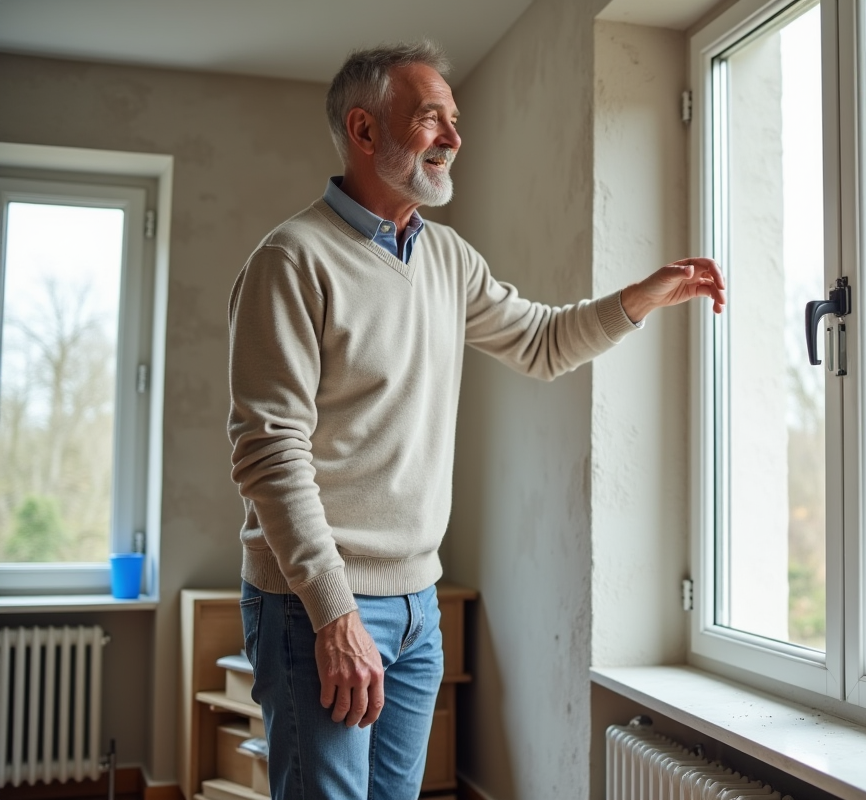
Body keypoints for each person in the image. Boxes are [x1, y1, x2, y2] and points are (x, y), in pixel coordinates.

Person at [227, 40, 725, 800]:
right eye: (432, 120)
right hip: (314, 603)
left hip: (418, 605)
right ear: (365, 132)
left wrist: (642, 297)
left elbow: (542, 340)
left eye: (454, 120)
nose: (455, 138)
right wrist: (334, 613)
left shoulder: (448, 258)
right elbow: (269, 452)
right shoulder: (291, 261)